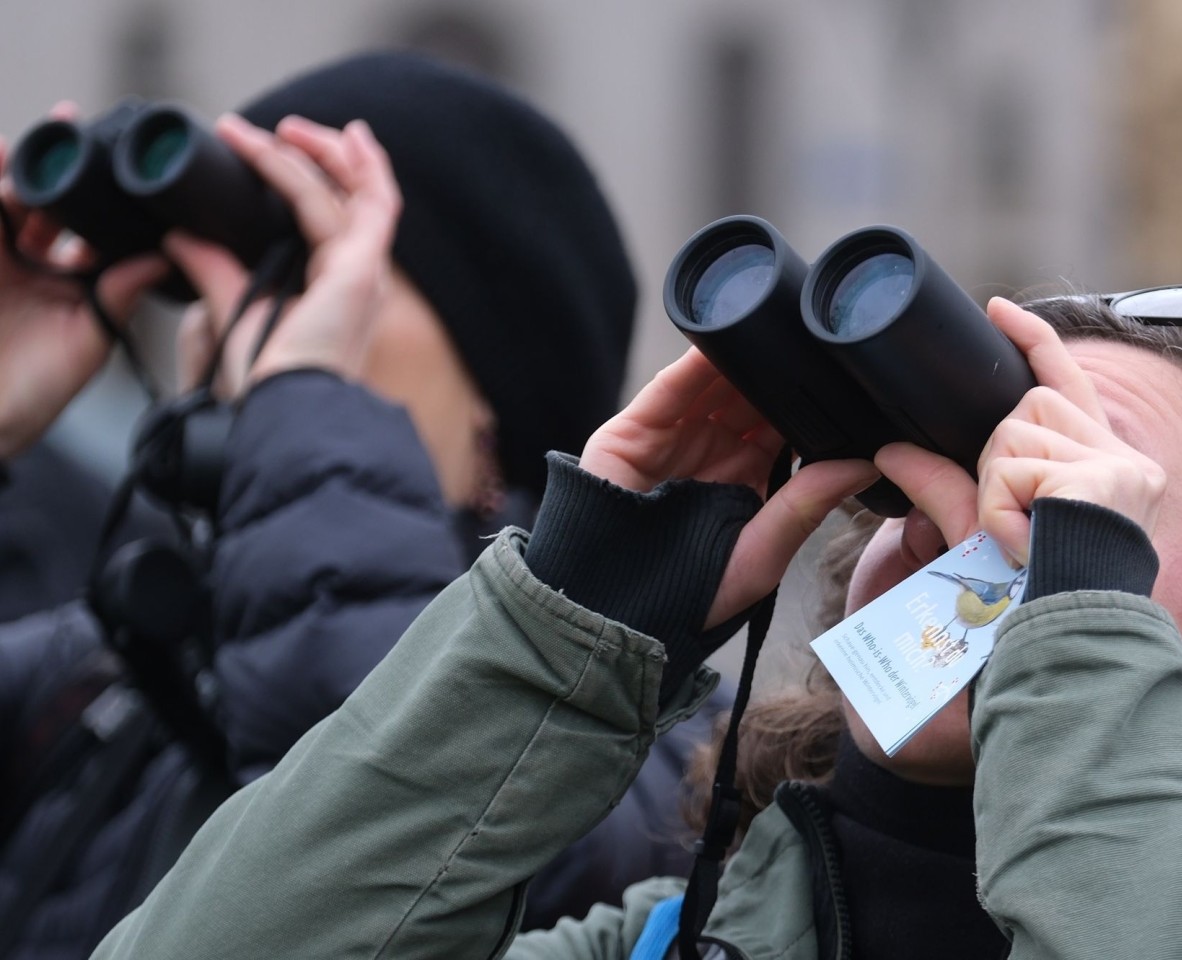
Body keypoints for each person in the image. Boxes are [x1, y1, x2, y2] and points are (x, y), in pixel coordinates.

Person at [90, 287, 1182, 958]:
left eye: (1078, 485)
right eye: (964, 467)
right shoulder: (668, 942)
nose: (982, 521)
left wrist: (1076, 617)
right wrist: (559, 628)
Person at [0, 52, 713, 959]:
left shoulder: (639, 715)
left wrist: (304, 407)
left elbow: (398, 827)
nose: (247, 321)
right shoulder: (100, 674)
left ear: (495, 382)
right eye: (243, 274)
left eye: (310, 271)